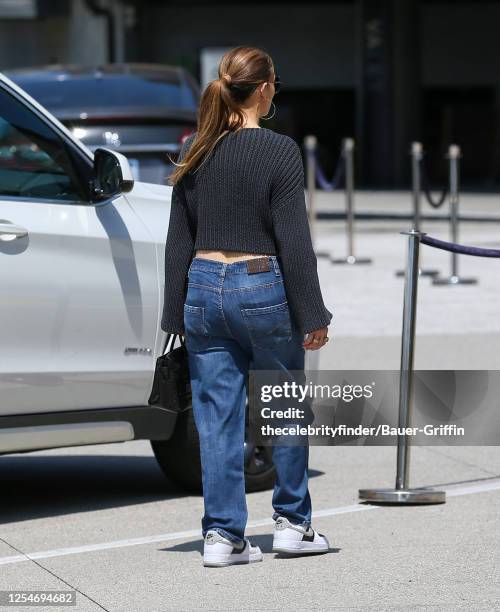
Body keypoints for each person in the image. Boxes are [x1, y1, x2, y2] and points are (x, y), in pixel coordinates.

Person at [161, 45, 333, 567]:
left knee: (216, 419)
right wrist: (313, 313)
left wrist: (173, 317)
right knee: (283, 406)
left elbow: (178, 240)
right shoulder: (280, 152)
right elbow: (293, 241)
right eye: (274, 83)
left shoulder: (195, 147)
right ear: (263, 90)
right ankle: (292, 525)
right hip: (261, 286)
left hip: (203, 288)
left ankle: (222, 536)